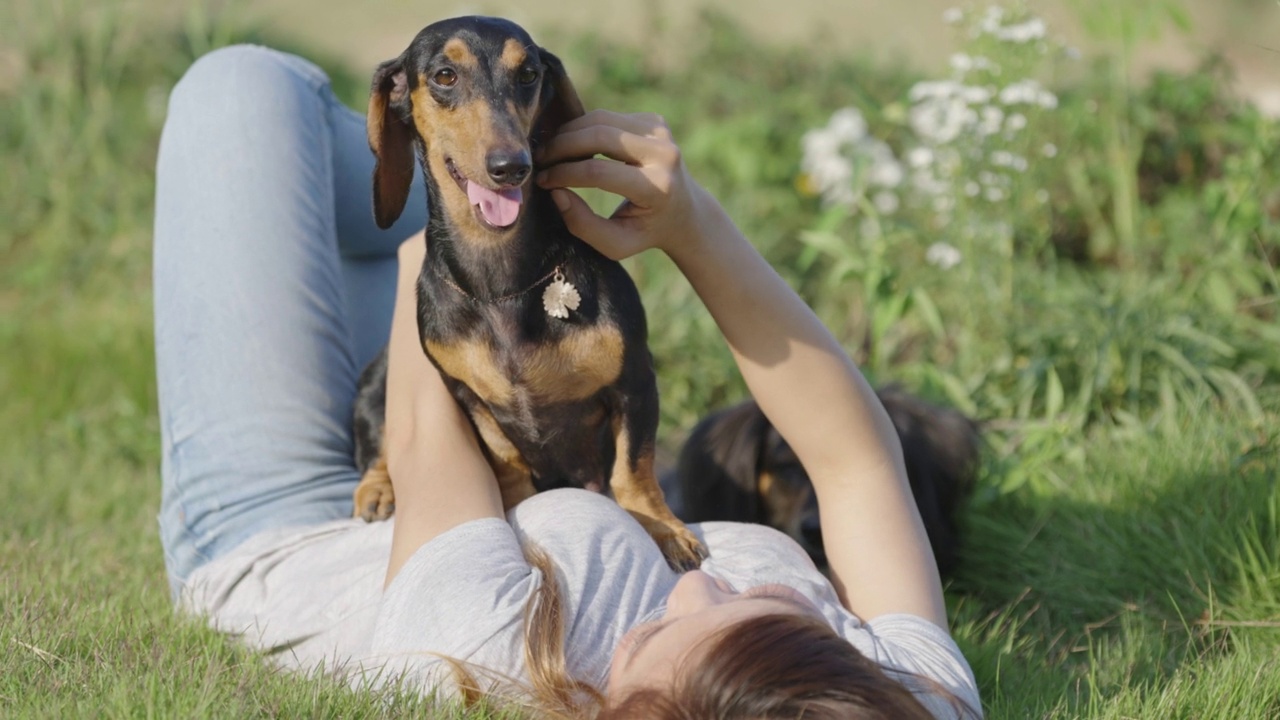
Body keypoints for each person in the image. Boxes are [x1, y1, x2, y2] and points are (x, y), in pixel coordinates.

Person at [154, 45, 983, 719]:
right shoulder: (900, 698)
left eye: (661, 632)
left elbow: (417, 442)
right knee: (353, 206)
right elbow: (857, 463)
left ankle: (396, 167)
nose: (696, 581)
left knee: (243, 93)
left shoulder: (486, 653)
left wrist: (448, 232)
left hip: (298, 525)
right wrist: (690, 223)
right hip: (490, 362)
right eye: (759, 605)